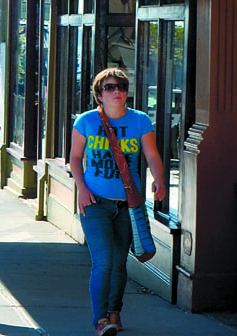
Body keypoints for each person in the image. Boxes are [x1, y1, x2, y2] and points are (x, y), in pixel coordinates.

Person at [69, 67, 165, 336]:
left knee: (120, 262)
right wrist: (81, 189)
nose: (116, 92)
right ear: (99, 95)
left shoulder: (140, 120)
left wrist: (159, 178)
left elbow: (152, 155)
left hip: (128, 206)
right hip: (95, 202)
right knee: (103, 261)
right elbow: (75, 157)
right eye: (109, 87)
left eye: (121, 87)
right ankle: (100, 320)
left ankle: (114, 312)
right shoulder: (86, 121)